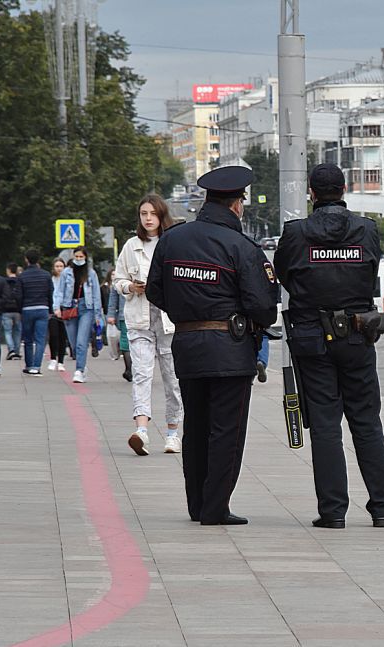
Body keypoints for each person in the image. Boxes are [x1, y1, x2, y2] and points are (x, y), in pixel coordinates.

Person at [147, 165, 278, 526]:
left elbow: (155, 289)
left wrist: (187, 312)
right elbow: (264, 308)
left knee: (195, 427)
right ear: (237, 205)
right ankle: (215, 508)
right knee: (226, 431)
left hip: (188, 344)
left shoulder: (173, 239)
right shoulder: (242, 247)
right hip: (230, 349)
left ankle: (197, 504)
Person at [274, 163, 384, 530]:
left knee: (325, 424)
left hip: (312, 336)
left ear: (311, 193)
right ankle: (383, 509)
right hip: (358, 334)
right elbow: (371, 272)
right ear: (344, 190)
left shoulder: (296, 233)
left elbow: (284, 274)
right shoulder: (366, 229)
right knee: (366, 421)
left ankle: (333, 511)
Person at [116, 194, 183, 455]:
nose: (148, 218)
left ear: (161, 215)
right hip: (139, 319)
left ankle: (173, 433)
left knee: (172, 378)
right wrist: (130, 287)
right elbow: (118, 279)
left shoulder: (172, 244)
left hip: (168, 321)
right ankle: (141, 430)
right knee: (142, 375)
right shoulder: (131, 245)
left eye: (153, 214)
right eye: (143, 214)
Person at [54, 246, 103, 383]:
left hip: (86, 308)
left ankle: (79, 371)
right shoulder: (66, 272)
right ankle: (82, 365)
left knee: (82, 341)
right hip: (69, 307)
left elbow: (96, 294)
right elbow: (59, 291)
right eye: (76, 256)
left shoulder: (91, 273)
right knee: (74, 343)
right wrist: (57, 307)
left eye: (81, 257)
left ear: (85, 257)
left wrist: (98, 315)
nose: (79, 259)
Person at [14, 249, 53, 376]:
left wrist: (20, 309)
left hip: (27, 309)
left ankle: (29, 365)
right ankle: (36, 366)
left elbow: (18, 296)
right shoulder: (46, 275)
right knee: (40, 339)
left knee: (28, 339)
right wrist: (50, 309)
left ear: (26, 260)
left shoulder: (22, 276)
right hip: (43, 308)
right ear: (38, 259)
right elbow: (50, 293)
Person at [106, 272, 133, 380]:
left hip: (134, 315)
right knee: (126, 342)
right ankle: (129, 369)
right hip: (124, 315)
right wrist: (111, 314)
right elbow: (113, 298)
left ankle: (130, 369)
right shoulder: (119, 279)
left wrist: (111, 314)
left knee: (129, 342)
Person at [47, 259, 69, 372]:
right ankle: (53, 358)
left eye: (61, 266)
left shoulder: (68, 280)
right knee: (53, 334)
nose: (59, 268)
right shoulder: (51, 280)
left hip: (65, 308)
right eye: (57, 266)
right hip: (52, 309)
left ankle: (61, 361)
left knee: (62, 336)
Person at [2, 263, 23, 361]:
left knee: (8, 331)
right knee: (17, 331)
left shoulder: (3, 282)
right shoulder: (20, 281)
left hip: (6, 309)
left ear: (8, 270)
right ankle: (17, 351)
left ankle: (11, 350)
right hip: (18, 310)